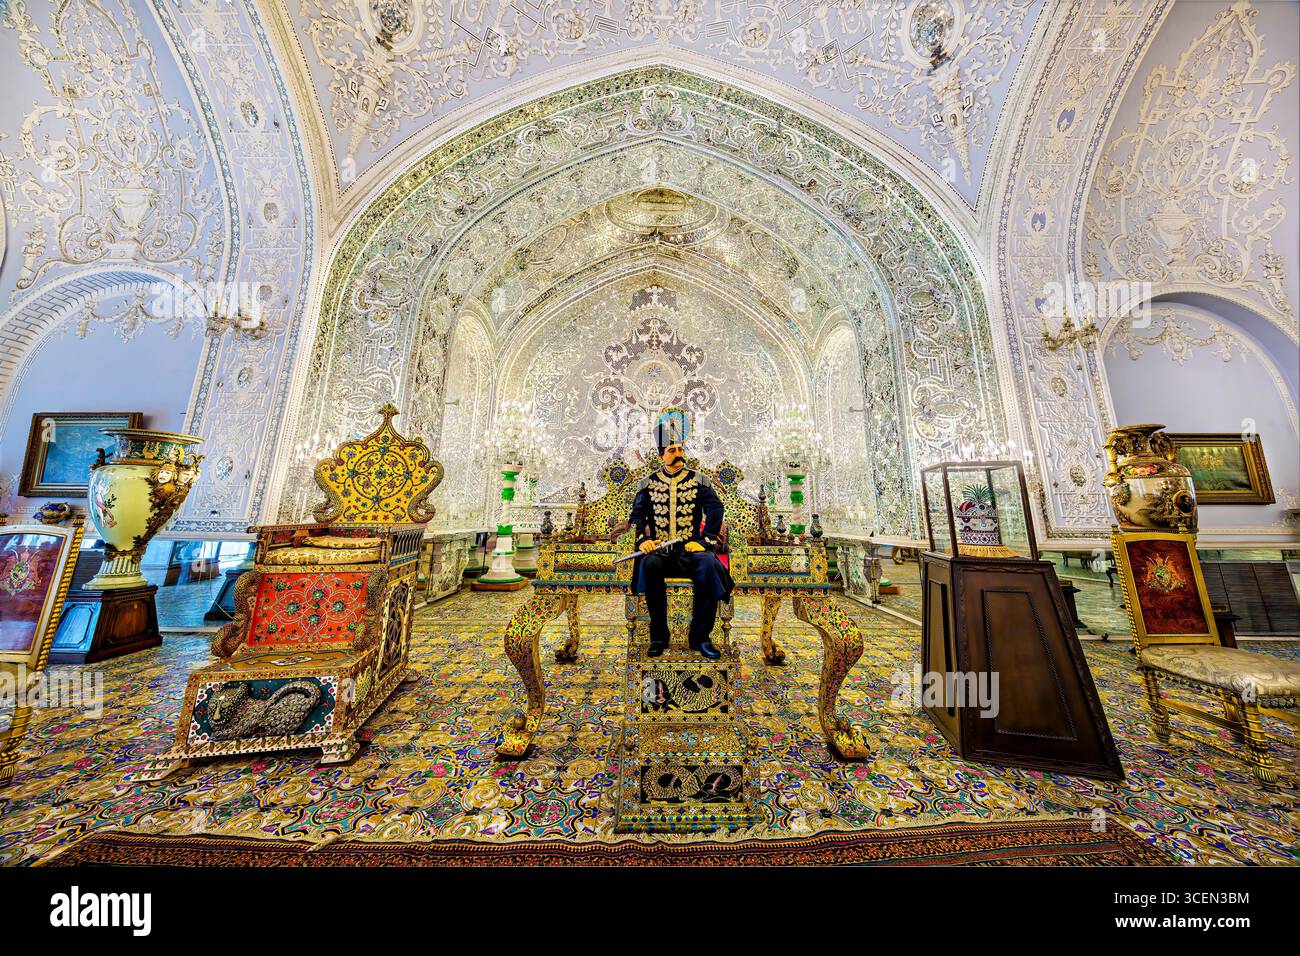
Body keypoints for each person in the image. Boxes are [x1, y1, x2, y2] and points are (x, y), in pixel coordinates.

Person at [629, 423, 733, 660]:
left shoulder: (699, 480)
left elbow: (716, 509)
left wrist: (705, 541)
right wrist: (643, 540)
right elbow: (636, 517)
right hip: (661, 552)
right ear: (661, 455)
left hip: (691, 550)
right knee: (649, 564)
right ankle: (658, 637)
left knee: (709, 565)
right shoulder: (648, 483)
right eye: (672, 450)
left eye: (680, 449)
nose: (678, 455)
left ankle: (701, 638)